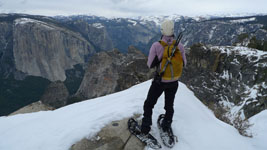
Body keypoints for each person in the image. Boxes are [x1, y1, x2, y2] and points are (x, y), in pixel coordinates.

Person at [140, 19, 187, 136]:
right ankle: (166, 124)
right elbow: (184, 63)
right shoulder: (179, 46)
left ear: (162, 31)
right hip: (174, 81)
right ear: (172, 31)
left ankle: (145, 128)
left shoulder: (156, 45)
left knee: (149, 104)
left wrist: (158, 59)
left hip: (160, 81)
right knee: (169, 105)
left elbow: (150, 64)